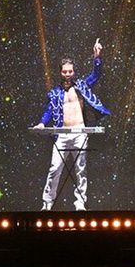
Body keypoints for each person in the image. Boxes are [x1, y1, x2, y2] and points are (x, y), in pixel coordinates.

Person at [34, 38, 111, 211]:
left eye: (70, 71)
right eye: (65, 72)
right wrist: (41, 123)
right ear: (60, 73)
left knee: (80, 169)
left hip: (79, 133)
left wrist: (97, 57)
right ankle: (47, 203)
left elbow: (96, 75)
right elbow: (48, 111)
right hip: (62, 134)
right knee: (55, 169)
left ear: (73, 72)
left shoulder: (81, 86)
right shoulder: (55, 93)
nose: (68, 74)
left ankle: (80, 203)